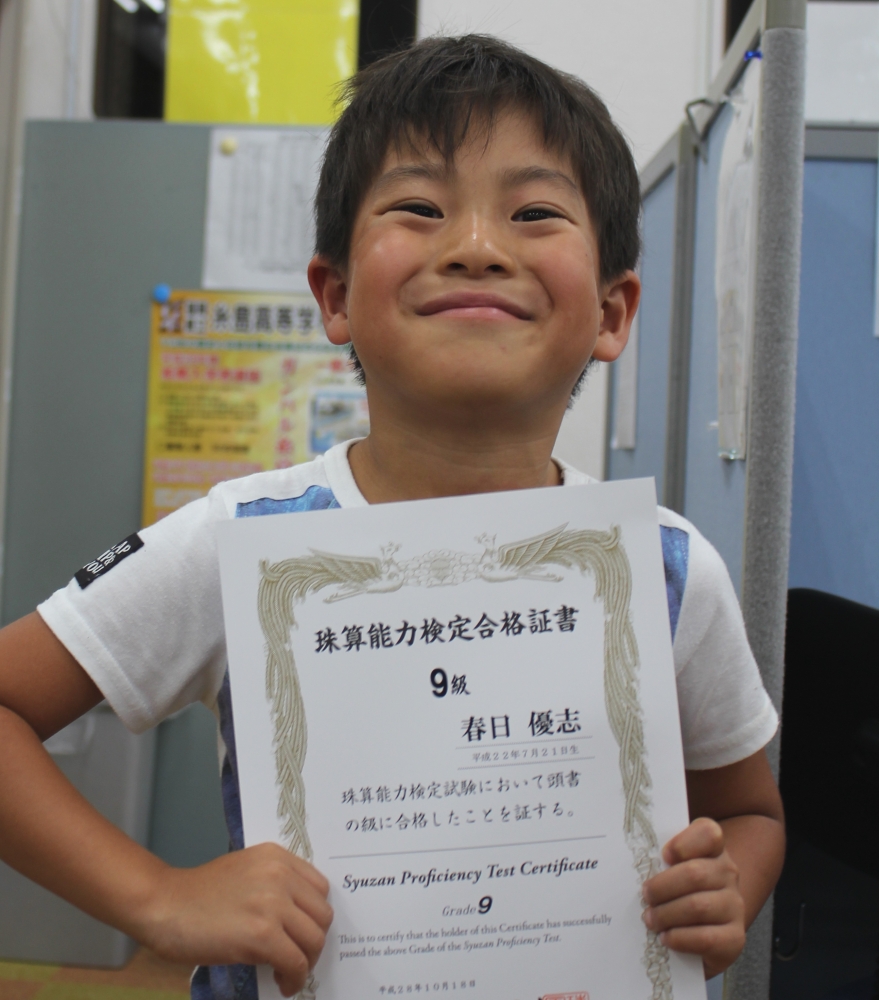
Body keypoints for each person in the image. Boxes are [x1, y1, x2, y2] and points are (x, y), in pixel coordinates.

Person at [0, 34, 784, 1000]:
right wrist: (159, 897)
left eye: (534, 212)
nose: (477, 246)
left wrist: (725, 891)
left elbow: (752, 814)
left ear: (614, 312)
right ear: (333, 293)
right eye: (418, 207)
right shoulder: (247, 537)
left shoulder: (665, 571)